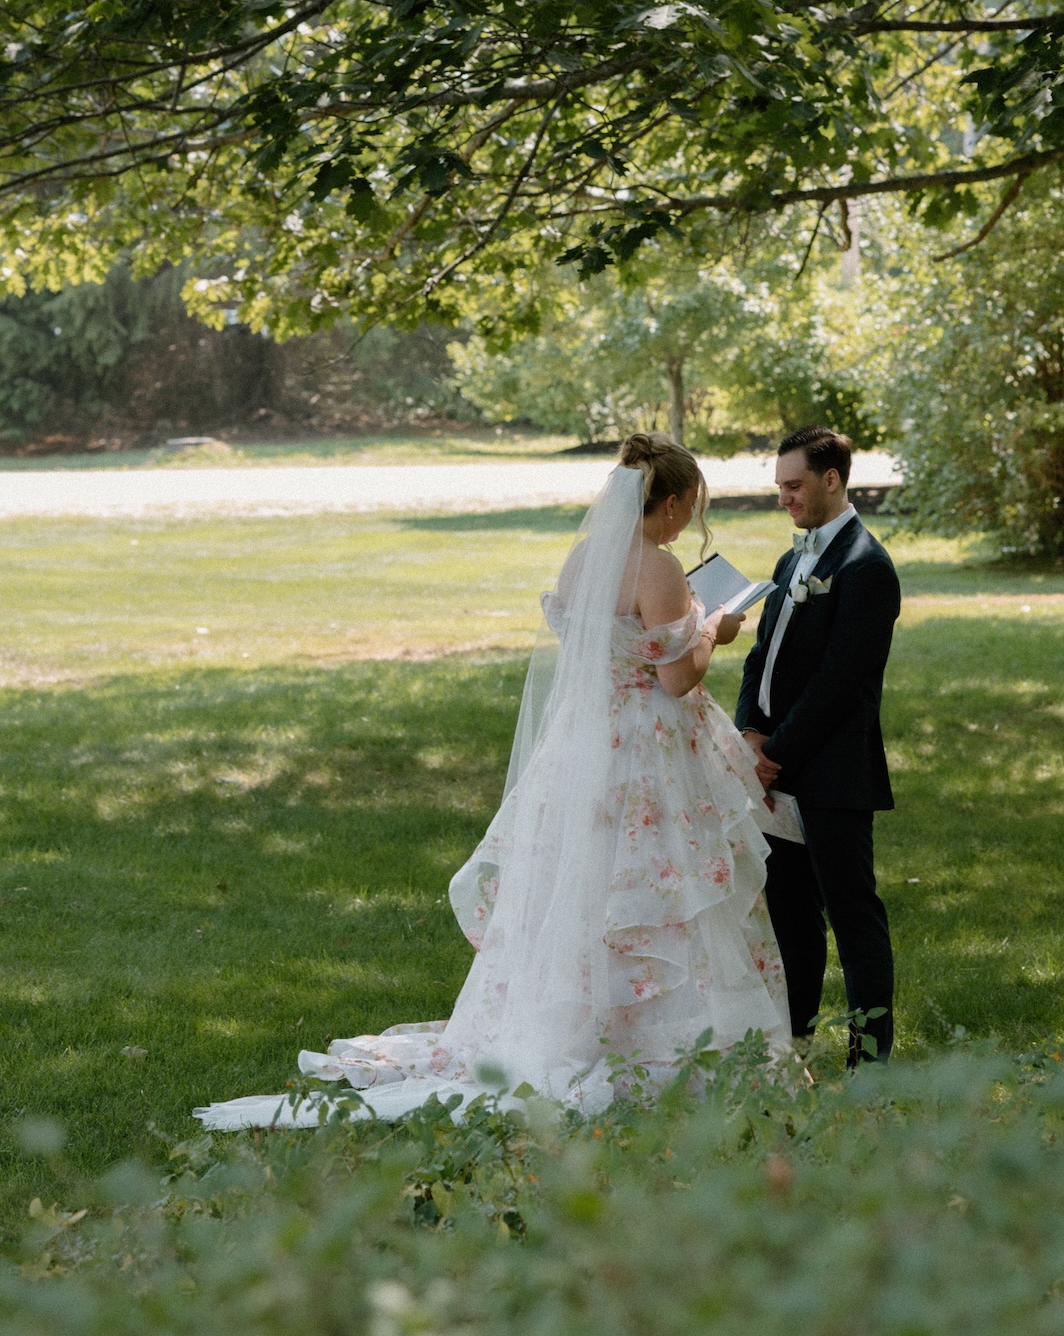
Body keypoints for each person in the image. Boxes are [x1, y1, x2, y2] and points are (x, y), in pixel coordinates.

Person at [196, 434, 790, 1129]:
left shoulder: (582, 562)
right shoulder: (656, 568)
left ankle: (574, 1020)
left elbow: (602, 654)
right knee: (654, 885)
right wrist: (714, 631)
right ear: (673, 501)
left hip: (583, 742)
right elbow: (674, 678)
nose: (689, 520)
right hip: (643, 750)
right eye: (690, 506)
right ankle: (654, 1041)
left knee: (583, 881)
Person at [737, 426, 901, 1064]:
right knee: (790, 919)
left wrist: (777, 751)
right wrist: (750, 729)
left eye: (795, 485)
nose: (785, 498)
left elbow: (842, 684)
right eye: (780, 486)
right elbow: (761, 656)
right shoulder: (791, 560)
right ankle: (796, 1042)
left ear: (833, 480)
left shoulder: (866, 568)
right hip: (773, 764)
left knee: (853, 918)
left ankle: (869, 1060)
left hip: (830, 771)